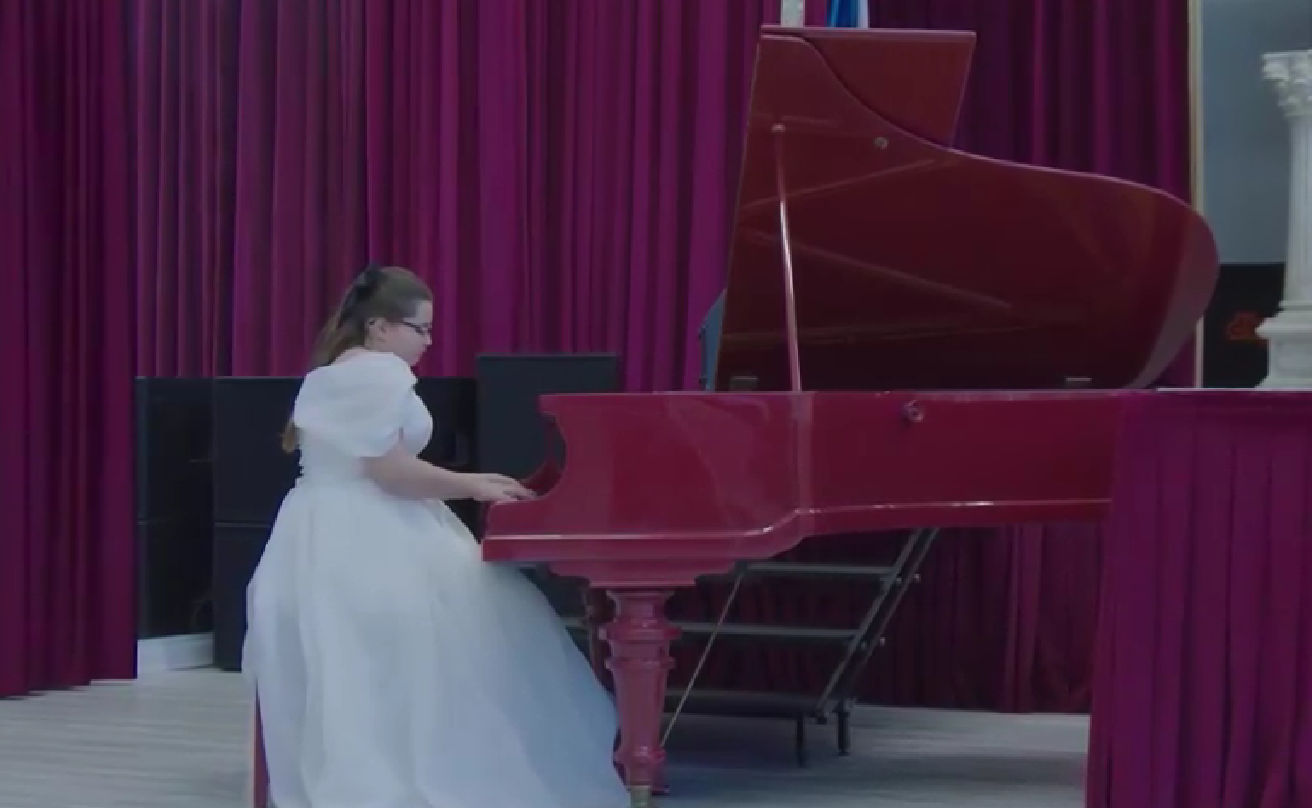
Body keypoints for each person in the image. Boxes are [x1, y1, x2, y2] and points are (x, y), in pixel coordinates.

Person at [243, 265, 629, 808]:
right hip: (369, 529)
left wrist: (470, 481)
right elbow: (390, 472)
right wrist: (473, 484)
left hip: (314, 532)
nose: (428, 341)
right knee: (476, 630)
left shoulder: (331, 371)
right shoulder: (381, 373)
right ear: (380, 327)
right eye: (419, 329)